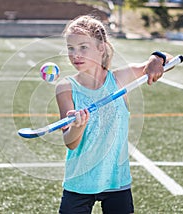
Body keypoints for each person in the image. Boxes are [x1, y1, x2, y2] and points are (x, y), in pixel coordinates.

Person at [55, 15, 173, 214]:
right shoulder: (65, 87)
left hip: (116, 180)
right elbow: (70, 143)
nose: (76, 55)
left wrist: (156, 59)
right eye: (71, 48)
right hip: (79, 182)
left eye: (83, 47)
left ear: (101, 48)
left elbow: (168, 59)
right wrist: (78, 126)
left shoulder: (119, 79)